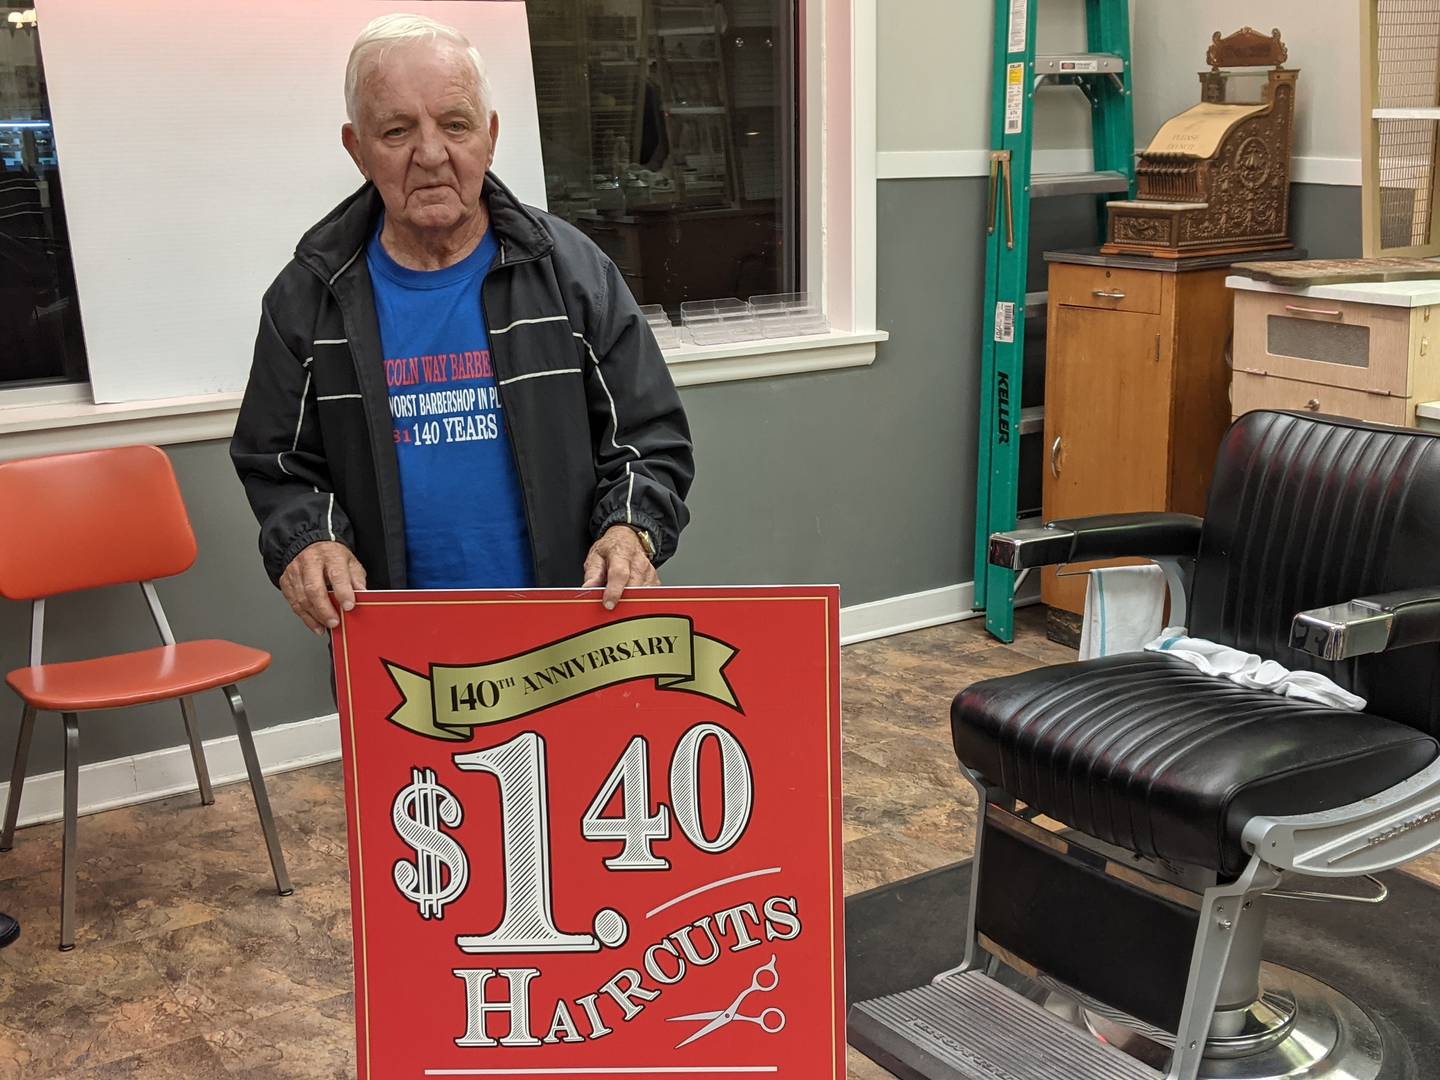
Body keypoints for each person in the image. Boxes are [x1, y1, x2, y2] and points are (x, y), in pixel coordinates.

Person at [231, 14, 693, 630]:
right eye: (397, 130)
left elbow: (649, 437)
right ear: (357, 148)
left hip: (573, 631)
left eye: (455, 124)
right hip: (391, 643)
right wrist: (308, 541)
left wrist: (632, 529)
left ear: (490, 135)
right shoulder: (306, 299)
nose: (431, 153)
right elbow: (277, 464)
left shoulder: (573, 274)